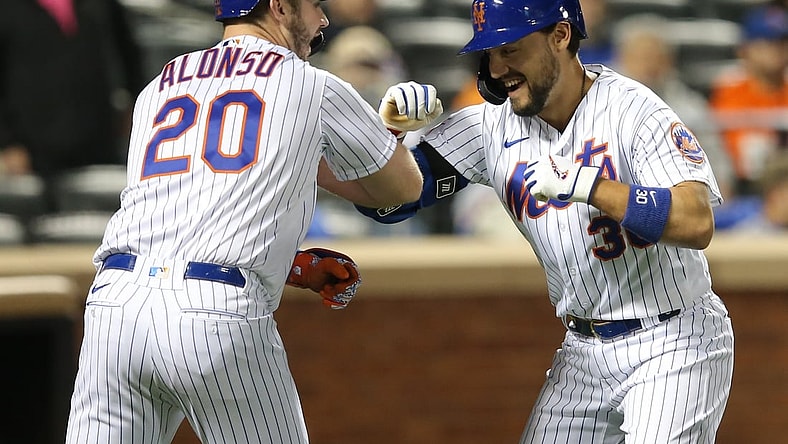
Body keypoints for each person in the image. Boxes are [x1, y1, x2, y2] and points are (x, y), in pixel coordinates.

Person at [357, 0, 734, 442]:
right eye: (489, 53)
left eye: (510, 49)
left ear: (560, 35)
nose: (497, 69)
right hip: (582, 348)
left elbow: (696, 221)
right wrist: (386, 142)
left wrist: (592, 186)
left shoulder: (632, 109)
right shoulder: (489, 126)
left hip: (673, 336)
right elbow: (385, 204)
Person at [65, 0, 440, 442]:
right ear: (280, 6)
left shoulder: (160, 83)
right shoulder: (311, 84)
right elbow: (402, 191)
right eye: (314, 6)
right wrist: (391, 134)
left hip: (116, 304)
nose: (322, 19)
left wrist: (290, 263)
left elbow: (187, 213)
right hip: (214, 311)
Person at [0, 0, 144, 209]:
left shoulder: (103, 5)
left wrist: (135, 109)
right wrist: (8, 143)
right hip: (32, 146)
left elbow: (130, 56)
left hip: (99, 136)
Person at [611, 13, 735, 199]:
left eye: (655, 56)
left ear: (668, 61)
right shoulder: (604, 102)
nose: (648, 65)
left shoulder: (691, 108)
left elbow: (717, 166)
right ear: (623, 59)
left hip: (678, 203)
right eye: (640, 57)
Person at [708, 2, 788, 196]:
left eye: (782, 42)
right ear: (744, 49)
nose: (776, 50)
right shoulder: (729, 89)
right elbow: (726, 151)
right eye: (766, 42)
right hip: (740, 188)